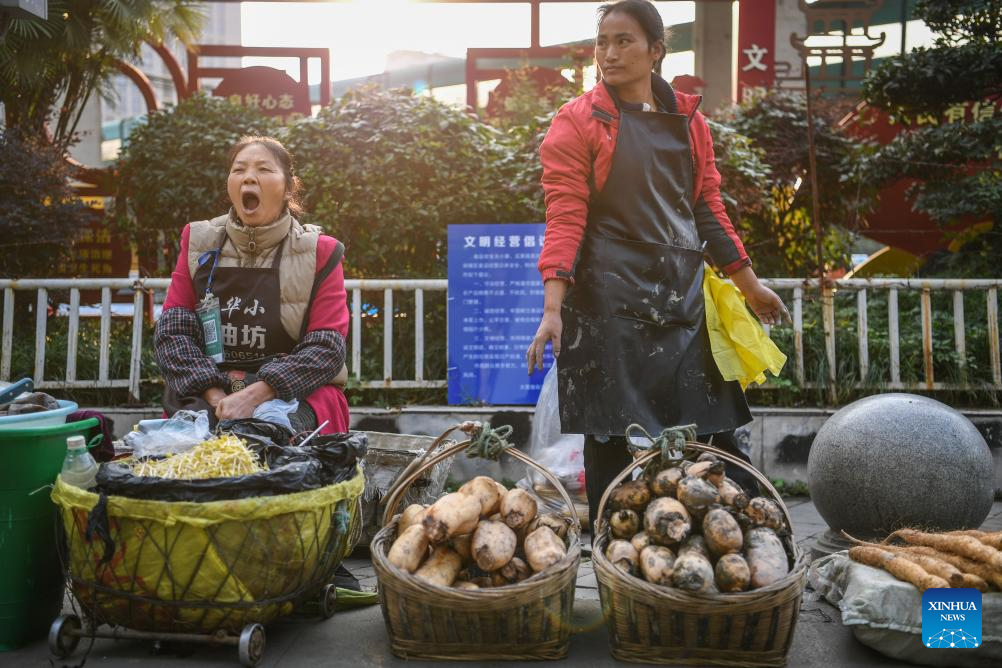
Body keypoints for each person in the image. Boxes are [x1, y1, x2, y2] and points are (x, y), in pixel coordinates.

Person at [526, 0, 790, 530]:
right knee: (615, 445)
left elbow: (707, 210)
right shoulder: (577, 121)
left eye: (624, 41)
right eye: (603, 41)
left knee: (707, 439)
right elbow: (565, 217)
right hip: (607, 304)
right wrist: (553, 307)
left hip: (681, 300)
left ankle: (703, 562)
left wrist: (751, 286)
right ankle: (617, 559)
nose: (609, 53)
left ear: (655, 51)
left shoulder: (690, 123)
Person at [155, 136, 350, 435]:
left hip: (294, 394)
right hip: (211, 389)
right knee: (191, 449)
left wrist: (256, 394)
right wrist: (217, 396)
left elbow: (326, 349)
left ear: (288, 187)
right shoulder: (198, 243)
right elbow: (173, 334)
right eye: (239, 169)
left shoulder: (320, 253)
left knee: (267, 442)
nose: (249, 177)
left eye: (263, 169)